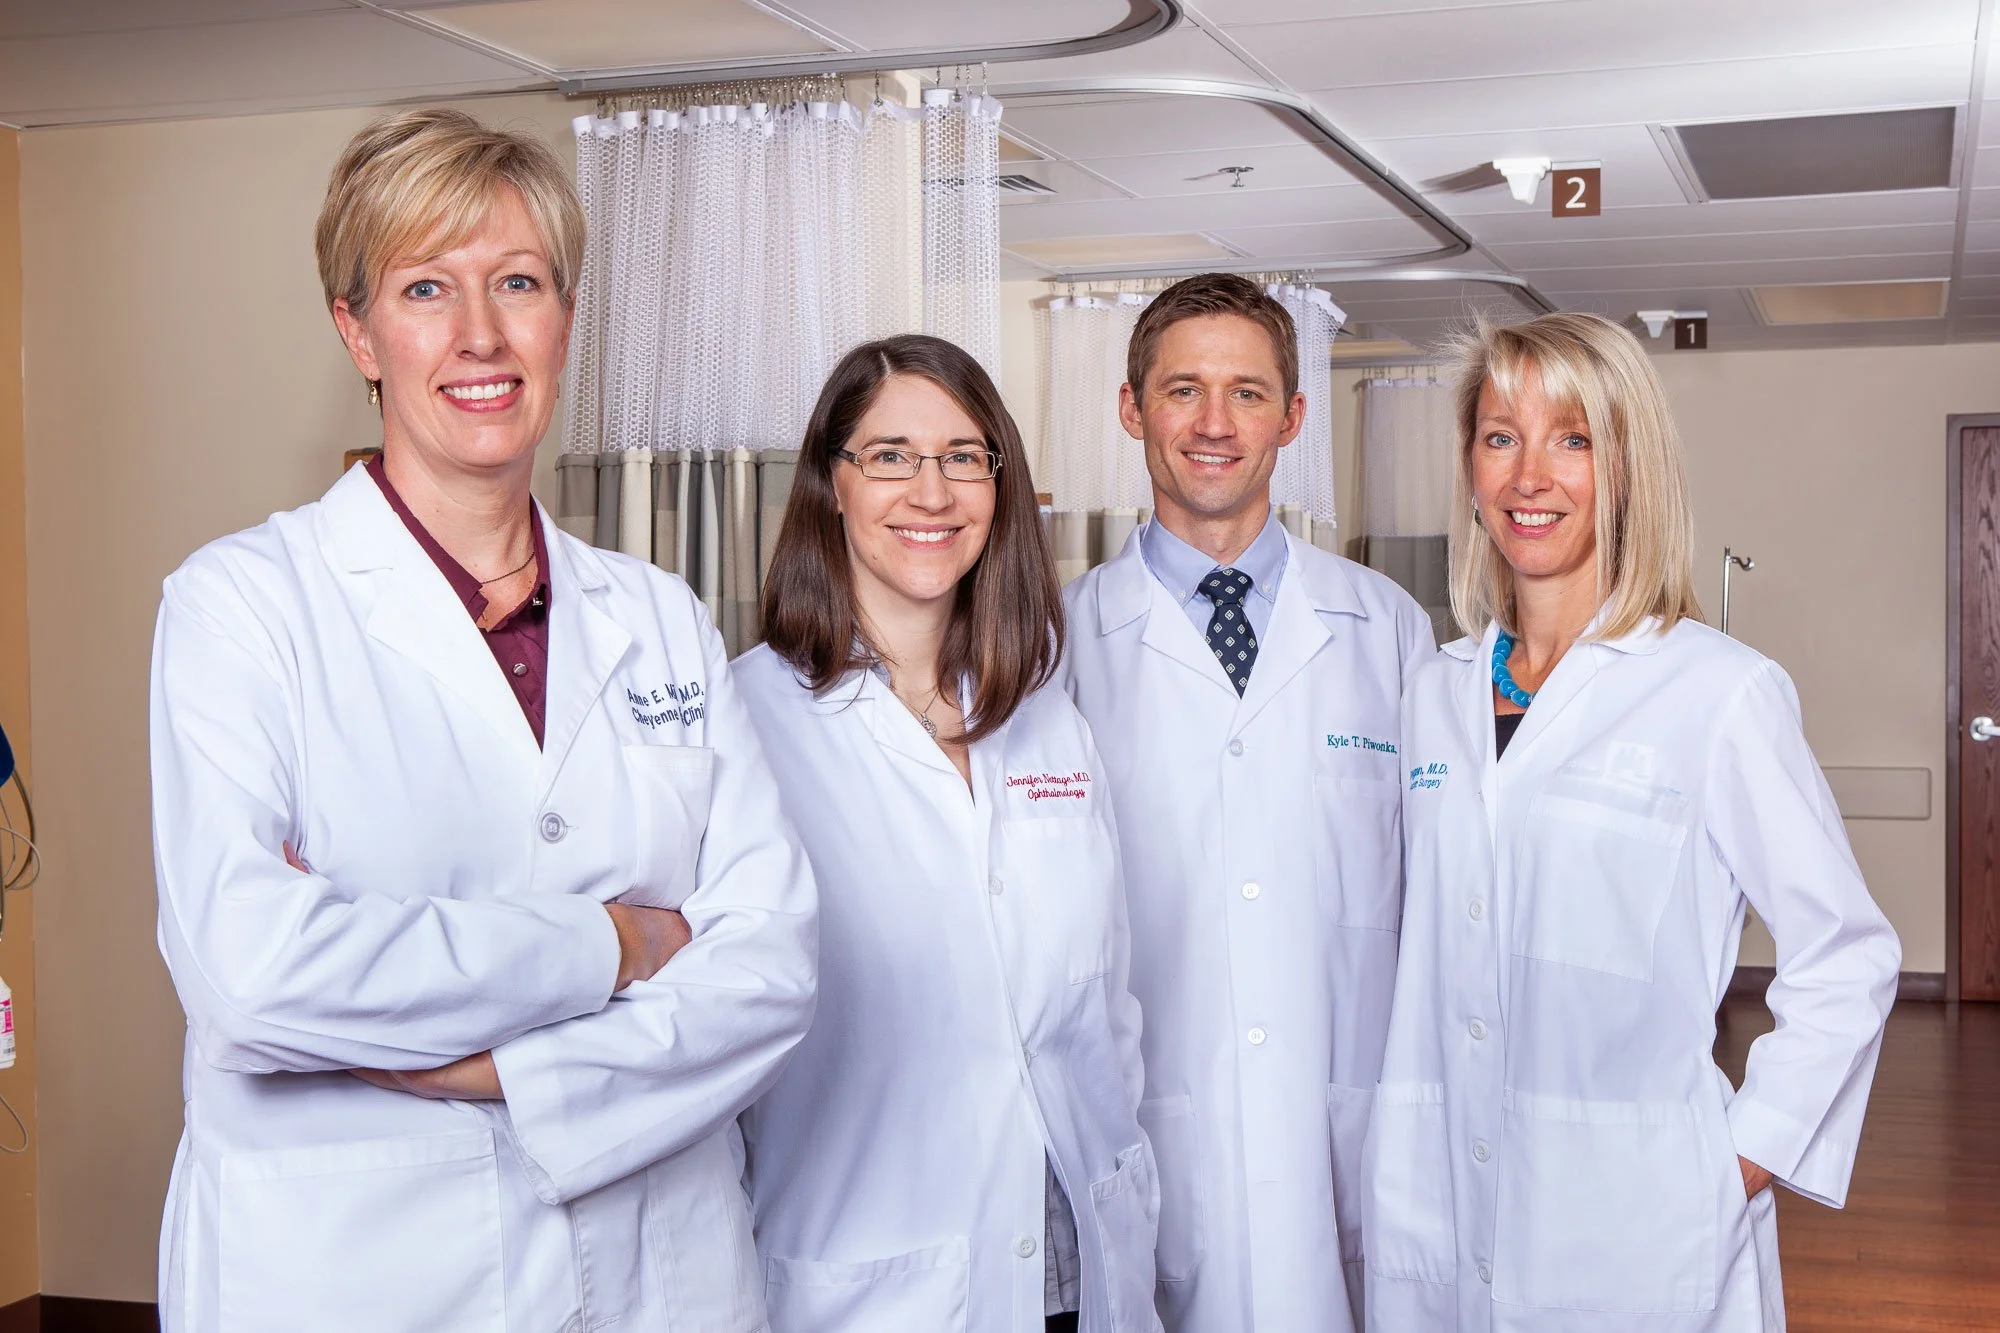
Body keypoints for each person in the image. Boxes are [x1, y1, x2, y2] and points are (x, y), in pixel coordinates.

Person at [149, 109, 816, 1333]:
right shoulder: (242, 607)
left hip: (660, 1274)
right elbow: (256, 975)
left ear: (565, 316)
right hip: (364, 1277)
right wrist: (615, 943)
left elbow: (768, 971)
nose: (480, 335)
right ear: (357, 331)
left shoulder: (658, 619)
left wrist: (495, 1064)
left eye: (518, 282)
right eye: (425, 288)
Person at [1365, 312, 1901, 1331]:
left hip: (1643, 1227)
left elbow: (1846, 952)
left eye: (1571, 438)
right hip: (1437, 1203)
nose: (1529, 475)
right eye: (1500, 436)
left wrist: (1732, 1164)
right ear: (1470, 471)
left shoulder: (1718, 691)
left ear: (1626, 470)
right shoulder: (1431, 692)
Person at [735, 334, 1160, 1333]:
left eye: (964, 456)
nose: (931, 492)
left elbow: (1107, 1003)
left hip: (1077, 1269)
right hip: (875, 1282)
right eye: (890, 455)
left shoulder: (1045, 713)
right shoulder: (748, 723)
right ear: (831, 484)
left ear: (998, 486)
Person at [1060, 273, 1435, 1332]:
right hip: (1149, 1125)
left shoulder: (1386, 629)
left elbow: (1440, 894)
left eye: (1247, 393)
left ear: (1293, 417)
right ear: (1131, 409)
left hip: (1346, 1131)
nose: (1214, 423)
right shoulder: (1056, 643)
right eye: (1182, 390)